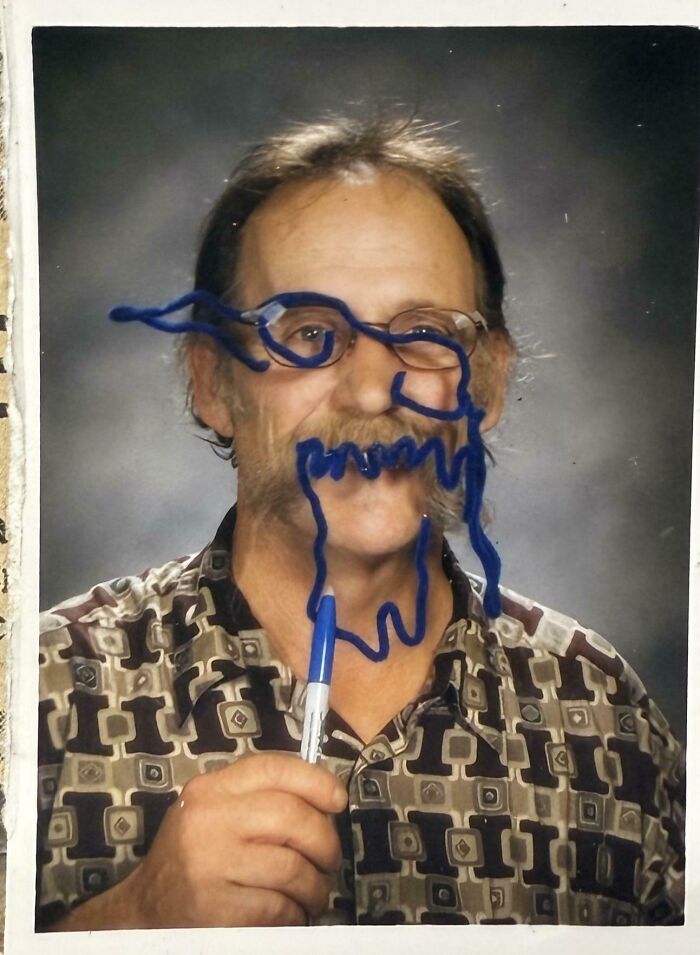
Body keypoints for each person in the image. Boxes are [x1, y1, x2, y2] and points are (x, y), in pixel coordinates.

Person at [37, 115, 685, 929]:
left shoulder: (605, 715)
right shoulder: (46, 690)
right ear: (212, 382)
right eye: (311, 334)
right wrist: (133, 921)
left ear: (483, 386)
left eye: (422, 334)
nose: (375, 391)